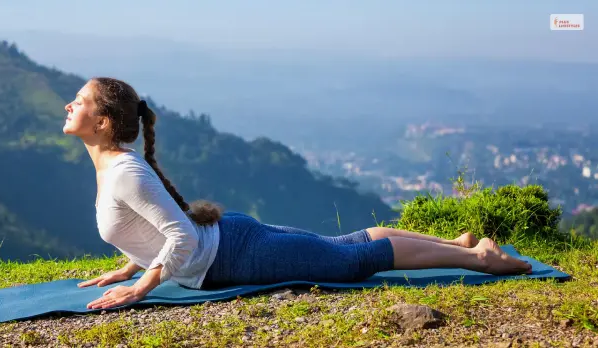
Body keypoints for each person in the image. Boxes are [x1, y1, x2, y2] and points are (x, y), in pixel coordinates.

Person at [62, 77, 532, 310]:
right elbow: (151, 224)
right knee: (344, 246)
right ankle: (458, 245)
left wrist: (140, 289)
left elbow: (179, 235)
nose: (69, 104)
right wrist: (131, 262)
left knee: (352, 261)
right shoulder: (116, 167)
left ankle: (479, 260)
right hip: (231, 241)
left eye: (79, 101)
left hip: (234, 257)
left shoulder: (124, 172)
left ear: (103, 122)